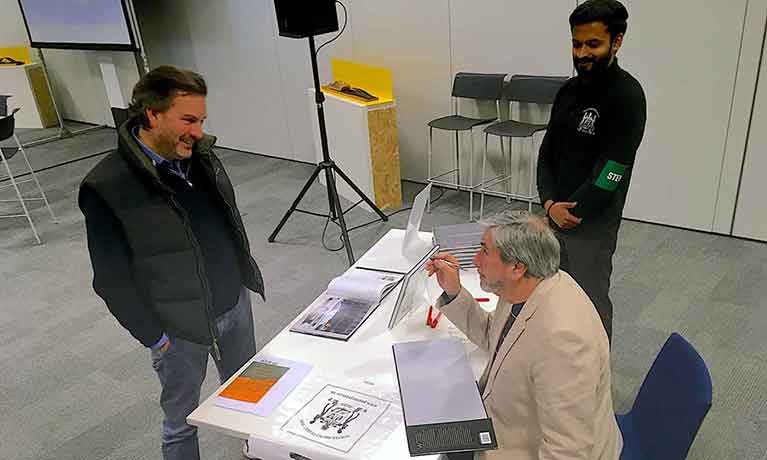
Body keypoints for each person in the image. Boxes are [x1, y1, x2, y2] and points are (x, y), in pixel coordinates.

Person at [79, 65, 265, 460]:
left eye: (201, 120)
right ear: (151, 114)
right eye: (188, 120)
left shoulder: (201, 156)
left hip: (233, 304)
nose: (197, 131)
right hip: (178, 331)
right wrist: (154, 337)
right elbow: (110, 278)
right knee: (182, 425)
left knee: (250, 398)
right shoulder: (106, 185)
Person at [427, 211, 621, 460]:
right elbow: (496, 337)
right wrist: (454, 292)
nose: (475, 260)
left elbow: (568, 450)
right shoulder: (527, 287)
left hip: (519, 446)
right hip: (501, 414)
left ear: (518, 267)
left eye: (484, 251)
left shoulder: (563, 341)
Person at [537, 0, 647, 341]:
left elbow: (612, 169)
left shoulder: (627, 95)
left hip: (591, 222)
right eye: (576, 43)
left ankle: (595, 384)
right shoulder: (568, 92)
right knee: (547, 298)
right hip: (554, 213)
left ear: (617, 41)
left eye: (593, 44)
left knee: (588, 303)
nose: (582, 53)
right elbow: (546, 153)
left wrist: (573, 212)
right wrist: (549, 204)